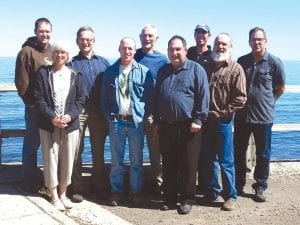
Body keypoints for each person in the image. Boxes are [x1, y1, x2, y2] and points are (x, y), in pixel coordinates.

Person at [152, 35, 209, 214]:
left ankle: (187, 199)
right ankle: (169, 198)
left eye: (178, 49)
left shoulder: (196, 69)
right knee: (168, 164)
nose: (174, 53)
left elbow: (203, 97)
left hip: (188, 126)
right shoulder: (163, 71)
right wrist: (156, 120)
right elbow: (156, 97)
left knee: (188, 165)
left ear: (185, 50)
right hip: (166, 125)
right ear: (168, 51)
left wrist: (198, 120)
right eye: (171, 49)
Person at [101, 37, 154, 207]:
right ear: (119, 49)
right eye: (124, 48)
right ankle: (116, 191)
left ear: (134, 50)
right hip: (117, 122)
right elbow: (103, 98)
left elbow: (150, 97)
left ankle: (135, 191)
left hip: (136, 123)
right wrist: (108, 116)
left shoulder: (144, 72)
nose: (127, 51)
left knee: (136, 161)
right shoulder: (110, 71)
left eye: (131, 48)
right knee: (116, 161)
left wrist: (145, 116)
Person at [234, 27, 286, 202]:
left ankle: (260, 186)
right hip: (242, 116)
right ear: (249, 41)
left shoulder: (274, 62)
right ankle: (238, 184)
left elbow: (280, 88)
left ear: (265, 41)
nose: (256, 42)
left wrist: (268, 103)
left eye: (259, 39)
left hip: (264, 117)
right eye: (253, 39)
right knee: (239, 152)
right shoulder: (242, 61)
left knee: (263, 153)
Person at [34, 40, 85, 211]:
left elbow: (80, 100)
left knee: (68, 159)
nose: (59, 55)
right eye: (56, 52)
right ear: (52, 54)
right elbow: (39, 98)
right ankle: (54, 195)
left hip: (70, 125)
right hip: (49, 125)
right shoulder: (43, 73)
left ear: (68, 55)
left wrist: (69, 116)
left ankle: (63, 193)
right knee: (50, 159)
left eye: (63, 52)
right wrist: (52, 118)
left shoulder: (75, 75)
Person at [202, 33, 247, 211]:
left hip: (223, 122)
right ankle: (213, 191)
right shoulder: (205, 67)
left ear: (230, 46)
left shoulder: (236, 69)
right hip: (206, 121)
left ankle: (231, 196)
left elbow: (241, 98)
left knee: (226, 161)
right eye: (217, 44)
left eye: (224, 44)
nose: (220, 47)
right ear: (213, 45)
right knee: (209, 159)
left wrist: (223, 114)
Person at [69, 26, 110, 203]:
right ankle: (77, 187)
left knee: (98, 151)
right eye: (82, 39)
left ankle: (98, 185)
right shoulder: (71, 64)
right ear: (77, 41)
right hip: (79, 111)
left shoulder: (104, 63)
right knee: (76, 151)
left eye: (88, 39)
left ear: (94, 40)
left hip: (99, 111)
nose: (85, 42)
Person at [15, 17, 52, 192]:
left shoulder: (53, 51)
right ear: (35, 31)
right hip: (34, 109)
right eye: (41, 31)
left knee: (49, 145)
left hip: (51, 109)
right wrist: (30, 104)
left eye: (47, 31)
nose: (44, 34)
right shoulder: (26, 52)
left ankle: (47, 180)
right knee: (31, 145)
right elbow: (21, 82)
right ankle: (29, 181)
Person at [134, 24, 169, 194]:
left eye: (150, 36)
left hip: (151, 113)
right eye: (144, 35)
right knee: (135, 150)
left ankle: (157, 181)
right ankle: (137, 181)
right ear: (140, 37)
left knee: (155, 151)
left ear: (156, 38)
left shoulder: (163, 60)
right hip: (133, 113)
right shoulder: (133, 55)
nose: (147, 38)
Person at [187, 23, 213, 194]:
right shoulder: (188, 53)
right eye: (197, 33)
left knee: (207, 151)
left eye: (203, 33)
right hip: (189, 110)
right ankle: (190, 184)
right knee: (189, 150)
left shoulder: (214, 55)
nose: (200, 36)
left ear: (208, 36)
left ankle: (206, 185)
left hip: (208, 110)